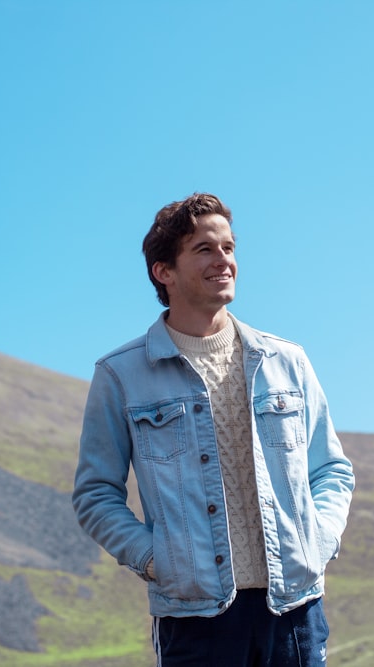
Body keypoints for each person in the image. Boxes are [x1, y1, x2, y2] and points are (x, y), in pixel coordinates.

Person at [72, 192, 354, 666]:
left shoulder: (286, 362)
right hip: (195, 620)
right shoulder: (121, 375)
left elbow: (331, 471)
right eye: (204, 249)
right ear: (164, 271)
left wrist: (317, 542)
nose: (223, 260)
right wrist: (156, 560)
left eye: (228, 247)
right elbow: (95, 493)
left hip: (294, 609)